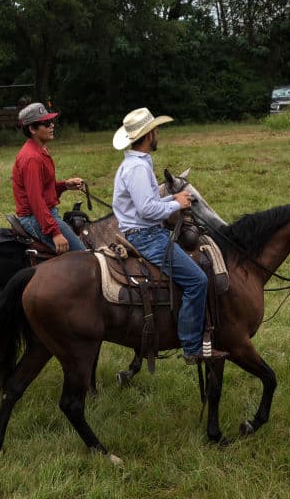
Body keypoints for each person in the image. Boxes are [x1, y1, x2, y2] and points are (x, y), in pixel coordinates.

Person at [111, 107, 224, 363]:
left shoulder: (134, 163)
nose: (158, 133)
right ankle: (191, 345)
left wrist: (171, 197)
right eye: (156, 130)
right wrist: (177, 205)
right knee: (197, 281)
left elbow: (147, 201)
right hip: (147, 236)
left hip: (139, 230)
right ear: (150, 134)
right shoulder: (138, 169)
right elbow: (148, 210)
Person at [12, 102, 86, 254]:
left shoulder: (40, 150)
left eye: (51, 121)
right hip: (35, 218)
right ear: (32, 129)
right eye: (46, 123)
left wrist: (65, 185)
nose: (52, 125)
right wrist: (55, 232)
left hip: (43, 214)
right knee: (84, 257)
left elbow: (43, 187)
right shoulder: (32, 158)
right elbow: (35, 200)